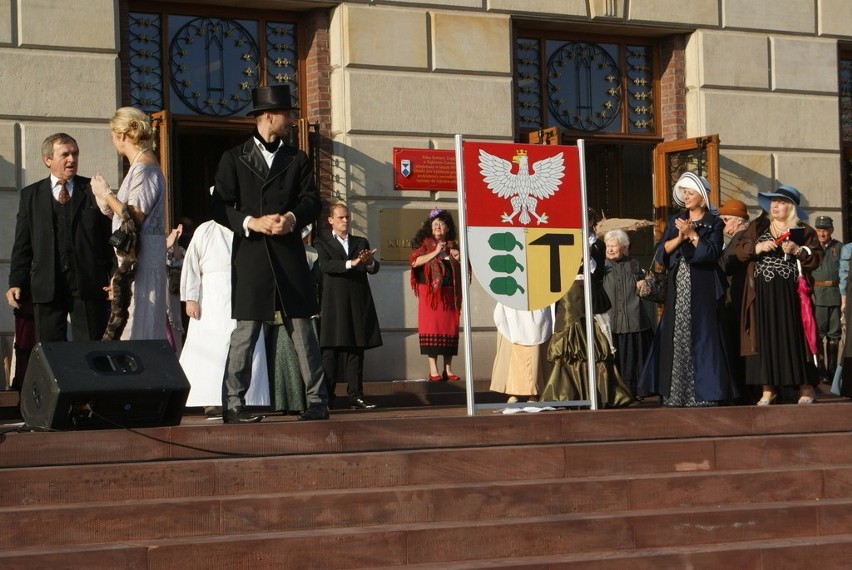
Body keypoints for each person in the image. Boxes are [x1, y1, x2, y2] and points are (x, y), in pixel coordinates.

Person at [211, 84, 328, 423]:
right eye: (287, 114)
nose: (292, 120)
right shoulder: (234, 157)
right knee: (245, 333)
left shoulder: (297, 158)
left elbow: (312, 202)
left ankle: (318, 401)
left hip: (289, 255)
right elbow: (218, 205)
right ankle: (233, 405)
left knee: (303, 330)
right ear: (267, 117)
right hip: (251, 255)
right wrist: (251, 222)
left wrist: (292, 218)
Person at [639, 172, 735, 407]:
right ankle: (676, 393)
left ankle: (705, 393)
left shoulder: (713, 222)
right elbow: (661, 251)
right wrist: (681, 237)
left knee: (703, 335)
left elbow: (711, 254)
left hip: (703, 286)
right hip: (678, 285)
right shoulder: (675, 220)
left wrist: (693, 234)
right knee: (677, 333)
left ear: (702, 197)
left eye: (691, 193)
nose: (686, 197)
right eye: (684, 192)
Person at [7, 133, 112, 343]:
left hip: (88, 284)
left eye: (75, 153)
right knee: (51, 353)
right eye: (65, 154)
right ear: (48, 160)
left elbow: (108, 238)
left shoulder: (93, 190)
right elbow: (23, 243)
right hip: (46, 286)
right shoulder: (31, 195)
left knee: (92, 351)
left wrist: (113, 276)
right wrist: (16, 281)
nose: (72, 159)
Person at [735, 184, 822, 405]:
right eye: (773, 201)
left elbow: (816, 257)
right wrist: (757, 247)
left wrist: (797, 250)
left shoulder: (801, 230)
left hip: (791, 295)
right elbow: (740, 248)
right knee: (764, 337)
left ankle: (806, 387)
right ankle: (768, 389)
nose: (775, 205)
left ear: (791, 207)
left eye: (782, 202)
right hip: (762, 294)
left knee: (794, 337)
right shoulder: (759, 225)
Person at [179, 217, 270, 416]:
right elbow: (192, 263)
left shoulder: (248, 228)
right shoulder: (205, 229)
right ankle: (210, 399)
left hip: (243, 295)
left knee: (243, 346)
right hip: (211, 299)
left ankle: (241, 398)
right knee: (211, 350)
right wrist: (191, 298)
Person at [91, 107, 167, 341]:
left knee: (138, 328)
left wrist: (106, 194)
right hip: (134, 261)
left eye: (113, 135)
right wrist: (107, 201)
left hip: (142, 264)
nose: (113, 141)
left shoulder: (144, 169)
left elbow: (133, 217)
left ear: (122, 135)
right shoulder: (139, 166)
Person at [543, 209, 632, 407]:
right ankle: (564, 393)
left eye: (586, 218)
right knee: (567, 341)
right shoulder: (565, 238)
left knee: (595, 341)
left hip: (590, 292)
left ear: (592, 221)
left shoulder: (598, 244)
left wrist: (588, 255)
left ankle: (599, 392)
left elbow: (598, 272)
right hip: (569, 294)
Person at [315, 203, 382, 410]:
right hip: (334, 304)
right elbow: (325, 265)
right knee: (330, 353)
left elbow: (373, 268)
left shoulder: (360, 241)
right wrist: (351, 263)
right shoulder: (322, 242)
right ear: (331, 220)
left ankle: (356, 396)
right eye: (341, 217)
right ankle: (327, 398)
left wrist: (369, 262)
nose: (345, 221)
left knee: (355, 351)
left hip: (357, 303)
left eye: (347, 217)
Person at [409, 209, 462, 382]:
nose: (438, 227)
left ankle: (448, 369)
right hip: (430, 295)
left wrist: (459, 257)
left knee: (450, 331)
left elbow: (464, 269)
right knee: (432, 330)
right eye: (435, 224)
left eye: (442, 224)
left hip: (449, 295)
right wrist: (436, 252)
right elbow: (415, 262)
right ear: (430, 228)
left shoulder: (453, 246)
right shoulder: (424, 244)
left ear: (448, 228)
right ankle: (433, 370)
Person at [601, 229, 654, 400]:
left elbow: (644, 286)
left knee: (633, 358)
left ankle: (634, 392)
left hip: (633, 320)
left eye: (613, 246)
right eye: (607, 246)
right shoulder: (601, 266)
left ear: (623, 247)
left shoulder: (634, 263)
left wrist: (643, 285)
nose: (610, 249)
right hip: (611, 321)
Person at [717, 199, 752, 402]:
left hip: (737, 302)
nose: (723, 224)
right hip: (734, 300)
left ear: (738, 222)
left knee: (738, 345)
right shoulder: (737, 238)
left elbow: (724, 264)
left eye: (726, 220)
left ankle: (741, 392)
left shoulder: (742, 239)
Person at [490, 304, 552, 404]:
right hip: (512, 302)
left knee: (536, 349)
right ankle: (512, 391)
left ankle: (535, 393)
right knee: (511, 349)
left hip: (536, 301)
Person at [810, 216, 842, 383]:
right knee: (819, 334)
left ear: (831, 231)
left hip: (835, 295)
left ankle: (833, 370)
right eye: (819, 230)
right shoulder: (811, 248)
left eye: (825, 230)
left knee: (835, 335)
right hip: (818, 295)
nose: (822, 233)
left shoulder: (840, 247)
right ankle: (820, 370)